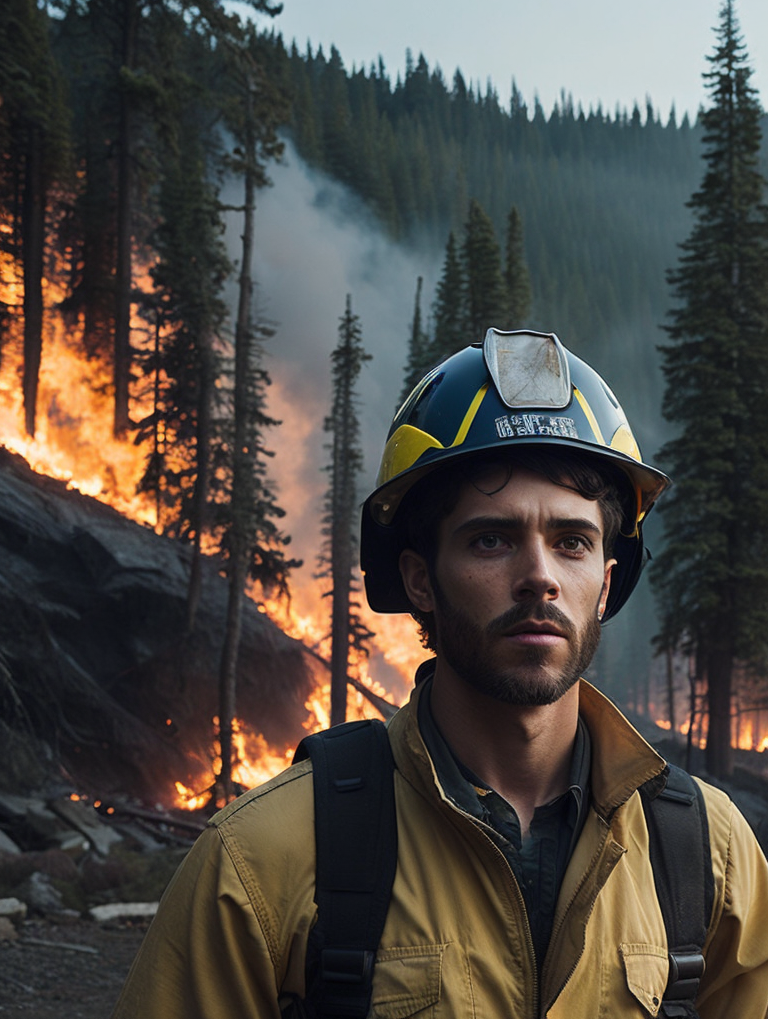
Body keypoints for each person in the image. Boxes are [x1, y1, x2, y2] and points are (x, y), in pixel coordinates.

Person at [111, 330, 768, 1018]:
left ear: (605, 585)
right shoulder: (263, 859)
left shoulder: (706, 856)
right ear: (420, 578)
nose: (539, 576)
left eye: (571, 542)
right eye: (492, 539)